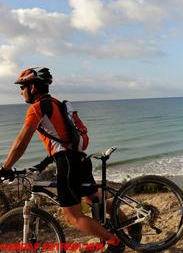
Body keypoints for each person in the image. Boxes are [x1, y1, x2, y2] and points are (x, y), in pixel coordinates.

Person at [0, 67, 139, 253]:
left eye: (22, 87)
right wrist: (45, 162)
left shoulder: (36, 108)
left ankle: (113, 243)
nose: (21, 91)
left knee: (72, 216)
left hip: (68, 164)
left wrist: (5, 167)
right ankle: (130, 226)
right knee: (92, 198)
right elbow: (62, 139)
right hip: (80, 158)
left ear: (32, 87)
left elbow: (20, 143)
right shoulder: (56, 104)